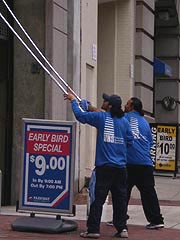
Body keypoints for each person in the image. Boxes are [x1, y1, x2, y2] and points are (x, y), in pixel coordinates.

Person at [64, 92, 134, 238]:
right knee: (120, 200)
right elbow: (130, 141)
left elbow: (80, 116)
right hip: (121, 168)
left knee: (98, 199)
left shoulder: (101, 118)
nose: (103, 101)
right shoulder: (124, 122)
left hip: (105, 167)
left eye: (105, 100)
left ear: (109, 105)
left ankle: (93, 230)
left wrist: (73, 102)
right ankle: (122, 229)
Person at [124, 97, 164, 229]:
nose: (125, 105)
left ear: (131, 106)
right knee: (148, 193)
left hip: (129, 162)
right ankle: (157, 219)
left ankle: (120, 217)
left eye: (127, 103)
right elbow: (150, 142)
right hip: (145, 163)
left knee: (122, 192)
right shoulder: (145, 122)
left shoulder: (124, 118)